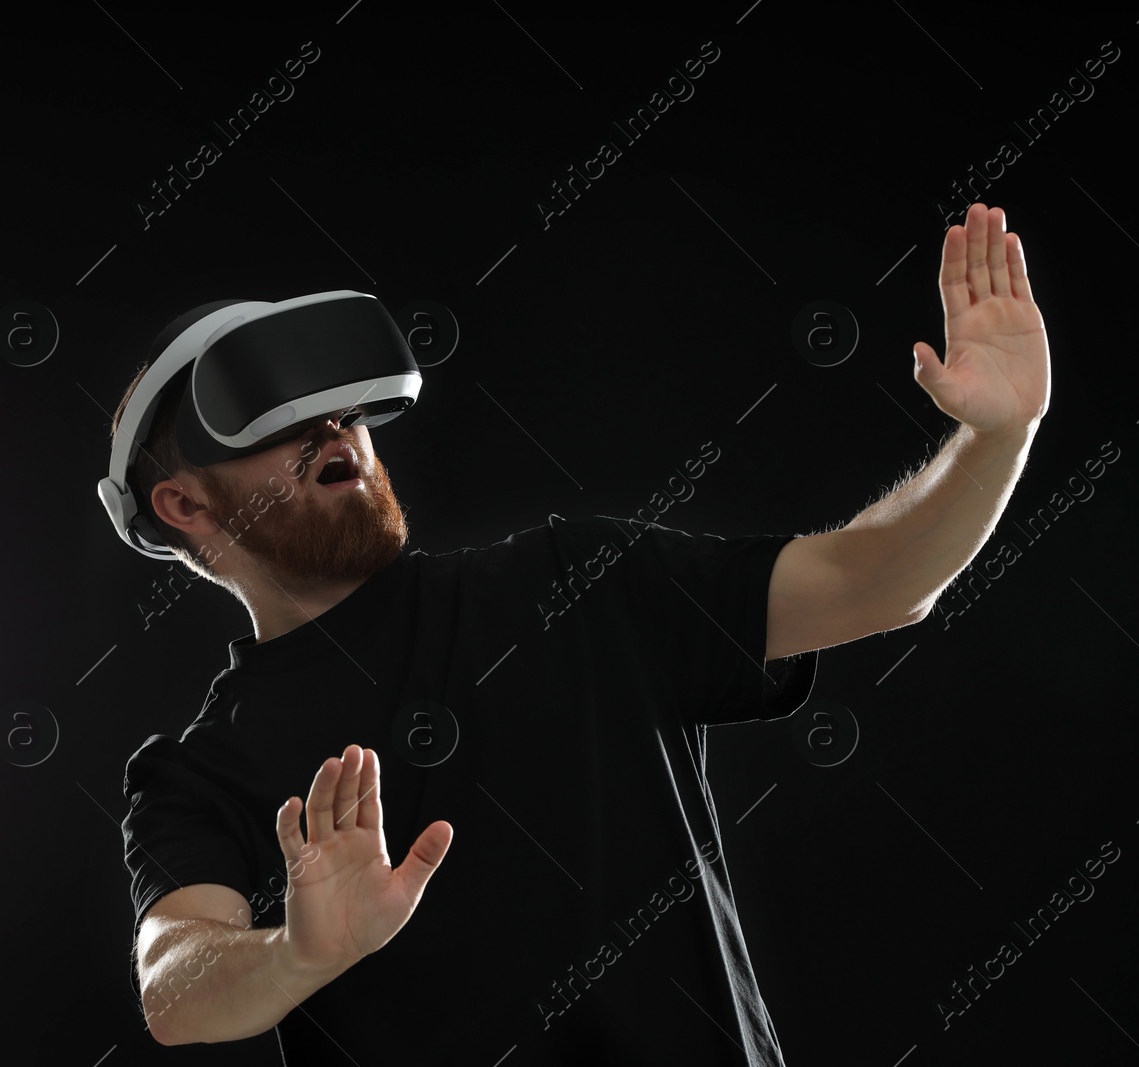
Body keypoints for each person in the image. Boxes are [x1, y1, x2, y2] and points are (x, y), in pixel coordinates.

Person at [116, 201, 1050, 1064]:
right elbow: (175, 985)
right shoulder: (199, 769)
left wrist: (997, 439)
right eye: (279, 420)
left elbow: (876, 580)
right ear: (185, 502)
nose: (335, 430)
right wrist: (298, 953)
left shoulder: (574, 583)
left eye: (345, 406)